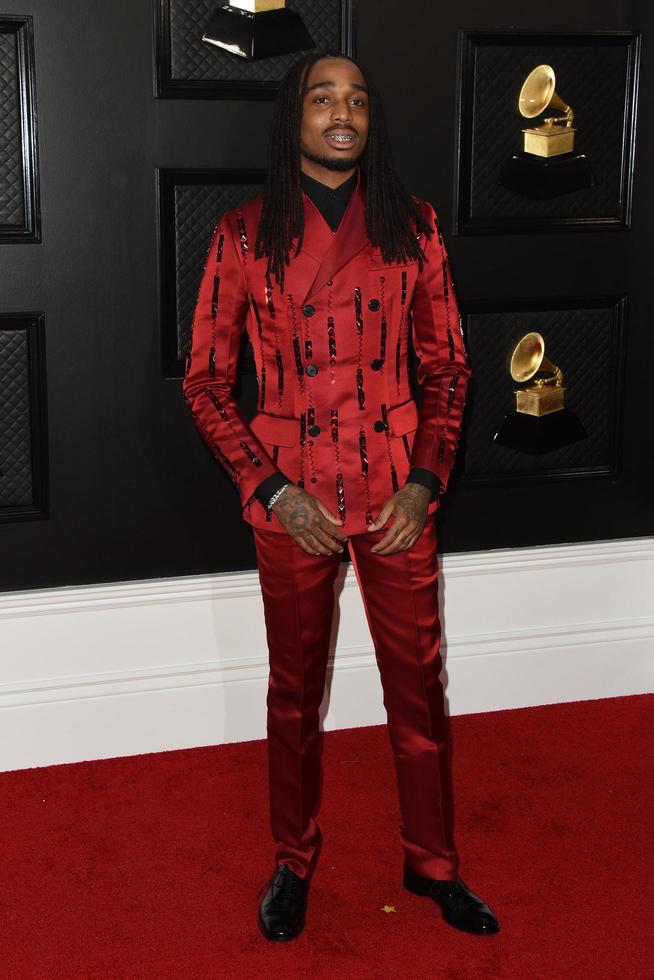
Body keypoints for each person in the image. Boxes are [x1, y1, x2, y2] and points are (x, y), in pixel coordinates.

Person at [183, 49, 499, 942]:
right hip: (293, 502)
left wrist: (429, 478)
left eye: (357, 97)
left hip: (398, 492)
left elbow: (448, 368)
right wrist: (271, 489)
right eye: (323, 95)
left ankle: (432, 864)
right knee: (294, 694)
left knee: (420, 690)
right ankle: (293, 859)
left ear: (371, 121)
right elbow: (205, 384)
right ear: (295, 117)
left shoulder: (415, 226)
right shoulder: (244, 235)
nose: (342, 110)